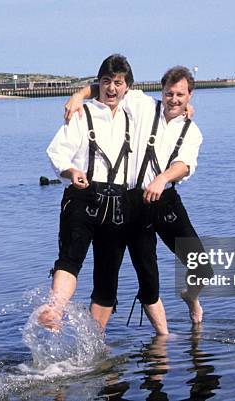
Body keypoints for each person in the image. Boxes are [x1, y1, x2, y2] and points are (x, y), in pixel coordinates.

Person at [66, 66, 213, 335]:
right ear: (162, 91)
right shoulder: (143, 105)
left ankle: (191, 297)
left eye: (180, 94)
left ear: (190, 95)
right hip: (133, 203)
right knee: (147, 276)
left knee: (202, 266)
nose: (174, 99)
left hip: (166, 201)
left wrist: (162, 179)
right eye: (169, 93)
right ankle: (163, 338)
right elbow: (110, 87)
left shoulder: (192, 131)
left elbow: (184, 164)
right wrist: (79, 96)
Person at [39, 54, 135, 332]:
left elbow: (169, 105)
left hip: (118, 202)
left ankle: (96, 340)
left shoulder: (135, 111)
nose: (112, 88)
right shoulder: (82, 113)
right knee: (70, 259)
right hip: (82, 195)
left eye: (118, 82)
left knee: (108, 277)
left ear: (127, 85)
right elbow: (56, 151)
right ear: (99, 83)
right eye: (106, 82)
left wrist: (186, 110)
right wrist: (70, 172)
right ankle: (54, 310)